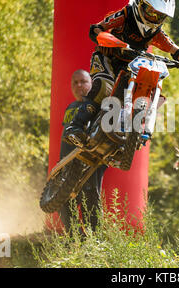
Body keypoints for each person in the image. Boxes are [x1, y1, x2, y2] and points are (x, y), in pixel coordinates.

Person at [64, 0, 179, 145]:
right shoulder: (126, 14)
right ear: (140, 3)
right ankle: (75, 126)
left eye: (159, 16)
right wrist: (105, 39)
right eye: (150, 11)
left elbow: (176, 50)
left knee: (149, 88)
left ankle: (130, 135)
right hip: (107, 58)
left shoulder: (156, 33)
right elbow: (97, 27)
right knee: (103, 85)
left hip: (130, 67)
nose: (153, 18)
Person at [58, 69, 107, 235]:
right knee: (62, 199)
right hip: (69, 162)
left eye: (83, 82)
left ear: (91, 84)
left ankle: (94, 240)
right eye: (75, 82)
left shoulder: (97, 106)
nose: (79, 85)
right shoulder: (71, 107)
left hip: (90, 160)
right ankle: (74, 237)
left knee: (90, 195)